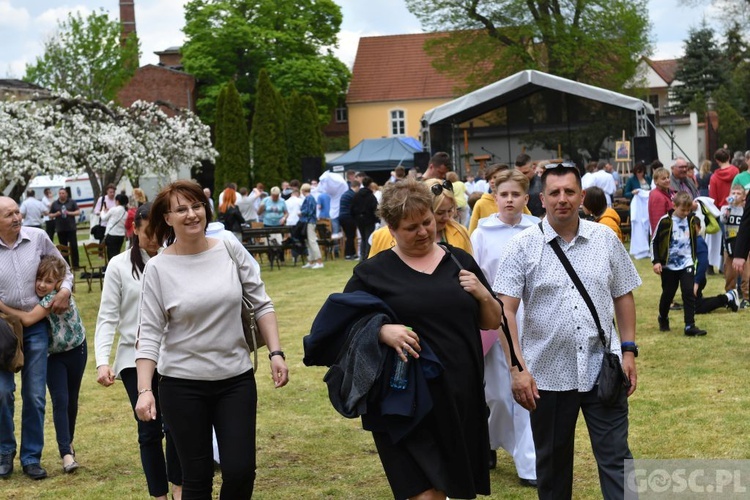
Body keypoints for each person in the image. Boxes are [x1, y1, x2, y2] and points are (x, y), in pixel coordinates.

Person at [333, 179, 501, 499]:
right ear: (391, 229)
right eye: (412, 228)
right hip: (403, 401)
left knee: (452, 489)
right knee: (424, 494)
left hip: (459, 396)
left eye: (428, 222)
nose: (424, 232)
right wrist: (381, 331)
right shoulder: (372, 273)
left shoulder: (459, 262)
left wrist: (483, 295)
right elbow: (340, 326)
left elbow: (491, 321)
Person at [494, 163, 640, 499]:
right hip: (547, 376)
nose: (563, 199)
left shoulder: (605, 239)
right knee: (553, 468)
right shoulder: (522, 246)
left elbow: (623, 294)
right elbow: (506, 310)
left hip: (603, 368)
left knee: (618, 459)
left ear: (581, 196)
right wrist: (518, 370)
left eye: (569, 192)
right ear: (541, 199)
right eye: (555, 193)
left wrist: (629, 350)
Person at [134, 181, 288, 498]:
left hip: (235, 379)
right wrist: (145, 390)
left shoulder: (229, 248)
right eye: (181, 209)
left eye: (197, 206)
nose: (192, 214)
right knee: (196, 476)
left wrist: (276, 352)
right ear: (167, 218)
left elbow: (261, 303)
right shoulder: (158, 268)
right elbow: (148, 333)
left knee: (240, 470)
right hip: (181, 384)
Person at [95, 203, 183, 499]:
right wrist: (101, 361)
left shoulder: (175, 259)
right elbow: (108, 316)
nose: (156, 239)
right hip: (133, 360)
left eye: (161, 232)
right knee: (149, 429)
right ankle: (158, 495)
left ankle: (179, 489)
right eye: (149, 233)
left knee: (175, 427)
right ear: (134, 230)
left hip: (174, 355)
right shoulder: (119, 266)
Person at [470, 169, 538, 488]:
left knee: (527, 390)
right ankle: (491, 438)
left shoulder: (537, 229)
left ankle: (528, 463)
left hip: (531, 319)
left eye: (516, 195)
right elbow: (476, 276)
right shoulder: (482, 232)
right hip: (492, 320)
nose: (509, 200)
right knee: (496, 394)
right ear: (494, 197)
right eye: (504, 194)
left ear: (526, 198)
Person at [0, 196, 74, 480]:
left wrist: (64, 291)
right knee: (2, 392)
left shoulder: (38, 237)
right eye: (9, 215)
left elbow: (64, 270)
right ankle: (5, 451)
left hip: (35, 327)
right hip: (3, 329)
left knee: (34, 394)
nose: (17, 218)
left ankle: (31, 457)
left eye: (17, 212)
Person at [0, 255, 86, 475]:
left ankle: (57, 449)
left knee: (64, 399)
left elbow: (28, 320)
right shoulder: (43, 297)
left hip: (75, 349)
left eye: (49, 281)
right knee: (58, 399)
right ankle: (63, 453)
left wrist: (1, 305)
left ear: (58, 284)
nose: (41, 284)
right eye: (39, 278)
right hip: (51, 353)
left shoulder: (53, 298)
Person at [369, 178, 472, 256]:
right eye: (440, 213)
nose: (446, 217)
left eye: (450, 210)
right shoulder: (381, 236)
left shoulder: (461, 233)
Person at [652, 192, 707, 336]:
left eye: (688, 210)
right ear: (674, 206)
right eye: (683, 210)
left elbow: (696, 238)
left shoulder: (692, 220)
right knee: (668, 294)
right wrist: (656, 261)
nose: (686, 213)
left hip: (687, 262)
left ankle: (690, 325)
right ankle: (663, 317)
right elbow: (654, 241)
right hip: (668, 266)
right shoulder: (665, 221)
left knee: (688, 292)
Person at [693, 217, 740, 314]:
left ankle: (728, 297)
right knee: (693, 304)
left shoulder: (699, 242)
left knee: (696, 308)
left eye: (694, 227)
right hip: (693, 277)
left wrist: (696, 282)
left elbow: (703, 263)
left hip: (696, 277)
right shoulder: (691, 241)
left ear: (699, 228)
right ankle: (727, 298)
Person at [720, 185, 747, 296]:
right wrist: (728, 208)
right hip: (729, 245)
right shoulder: (725, 208)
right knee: (730, 272)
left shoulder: (745, 210)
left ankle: (746, 295)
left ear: (744, 197)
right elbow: (723, 220)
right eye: (733, 193)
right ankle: (730, 295)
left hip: (744, 244)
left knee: (746, 272)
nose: (735, 196)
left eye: (738, 193)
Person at [469, 164, 508, 234]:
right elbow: (472, 231)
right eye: (490, 178)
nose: (492, 181)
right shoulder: (481, 204)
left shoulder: (515, 201)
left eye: (495, 177)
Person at [49, 187, 81, 269]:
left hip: (71, 228)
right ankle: (66, 265)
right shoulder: (55, 204)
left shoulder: (71, 202)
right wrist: (56, 214)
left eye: (63, 193)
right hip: (61, 228)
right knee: (63, 247)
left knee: (73, 246)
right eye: (60, 193)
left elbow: (78, 212)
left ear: (66, 194)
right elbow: (50, 215)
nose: (61, 195)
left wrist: (69, 213)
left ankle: (76, 265)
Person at [350, 176, 379, 260]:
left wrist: (355, 218)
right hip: (369, 220)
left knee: (363, 238)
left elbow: (352, 209)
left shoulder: (356, 195)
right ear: (370, 185)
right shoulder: (371, 197)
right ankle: (367, 256)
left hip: (359, 219)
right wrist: (377, 220)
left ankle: (362, 255)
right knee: (368, 238)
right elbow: (375, 209)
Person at [299, 183, 324, 269]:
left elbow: (309, 211)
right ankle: (311, 261)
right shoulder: (310, 198)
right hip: (309, 222)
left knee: (312, 241)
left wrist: (301, 213)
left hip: (309, 222)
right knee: (309, 242)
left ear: (303, 190)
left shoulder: (309, 198)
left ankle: (319, 261)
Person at [101, 193, 130, 260]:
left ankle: (112, 268)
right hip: (121, 235)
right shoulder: (126, 212)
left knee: (111, 254)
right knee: (117, 253)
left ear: (117, 201)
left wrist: (102, 211)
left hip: (111, 234)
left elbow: (104, 218)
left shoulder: (113, 209)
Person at [339, 179, 360, 260]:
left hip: (341, 216)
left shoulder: (345, 194)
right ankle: (349, 254)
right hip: (348, 217)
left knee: (349, 236)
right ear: (357, 187)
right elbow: (355, 208)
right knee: (351, 236)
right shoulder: (353, 195)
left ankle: (352, 253)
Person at [648, 167, 673, 236]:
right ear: (656, 181)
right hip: (664, 235)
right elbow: (658, 220)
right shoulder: (657, 196)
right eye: (663, 179)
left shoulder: (670, 192)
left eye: (668, 177)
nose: (667, 180)